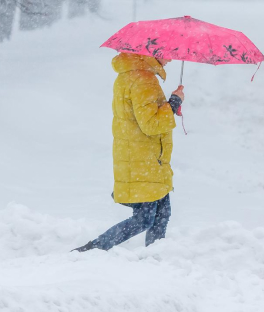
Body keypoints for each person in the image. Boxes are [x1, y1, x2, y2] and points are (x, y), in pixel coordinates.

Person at [73, 52, 184, 252]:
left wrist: (169, 106)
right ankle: (94, 248)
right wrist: (174, 103)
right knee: (144, 219)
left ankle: (156, 256)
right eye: (169, 53)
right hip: (144, 158)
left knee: (162, 213)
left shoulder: (130, 74)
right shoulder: (144, 79)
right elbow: (151, 124)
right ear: (155, 52)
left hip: (140, 155)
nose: (172, 59)